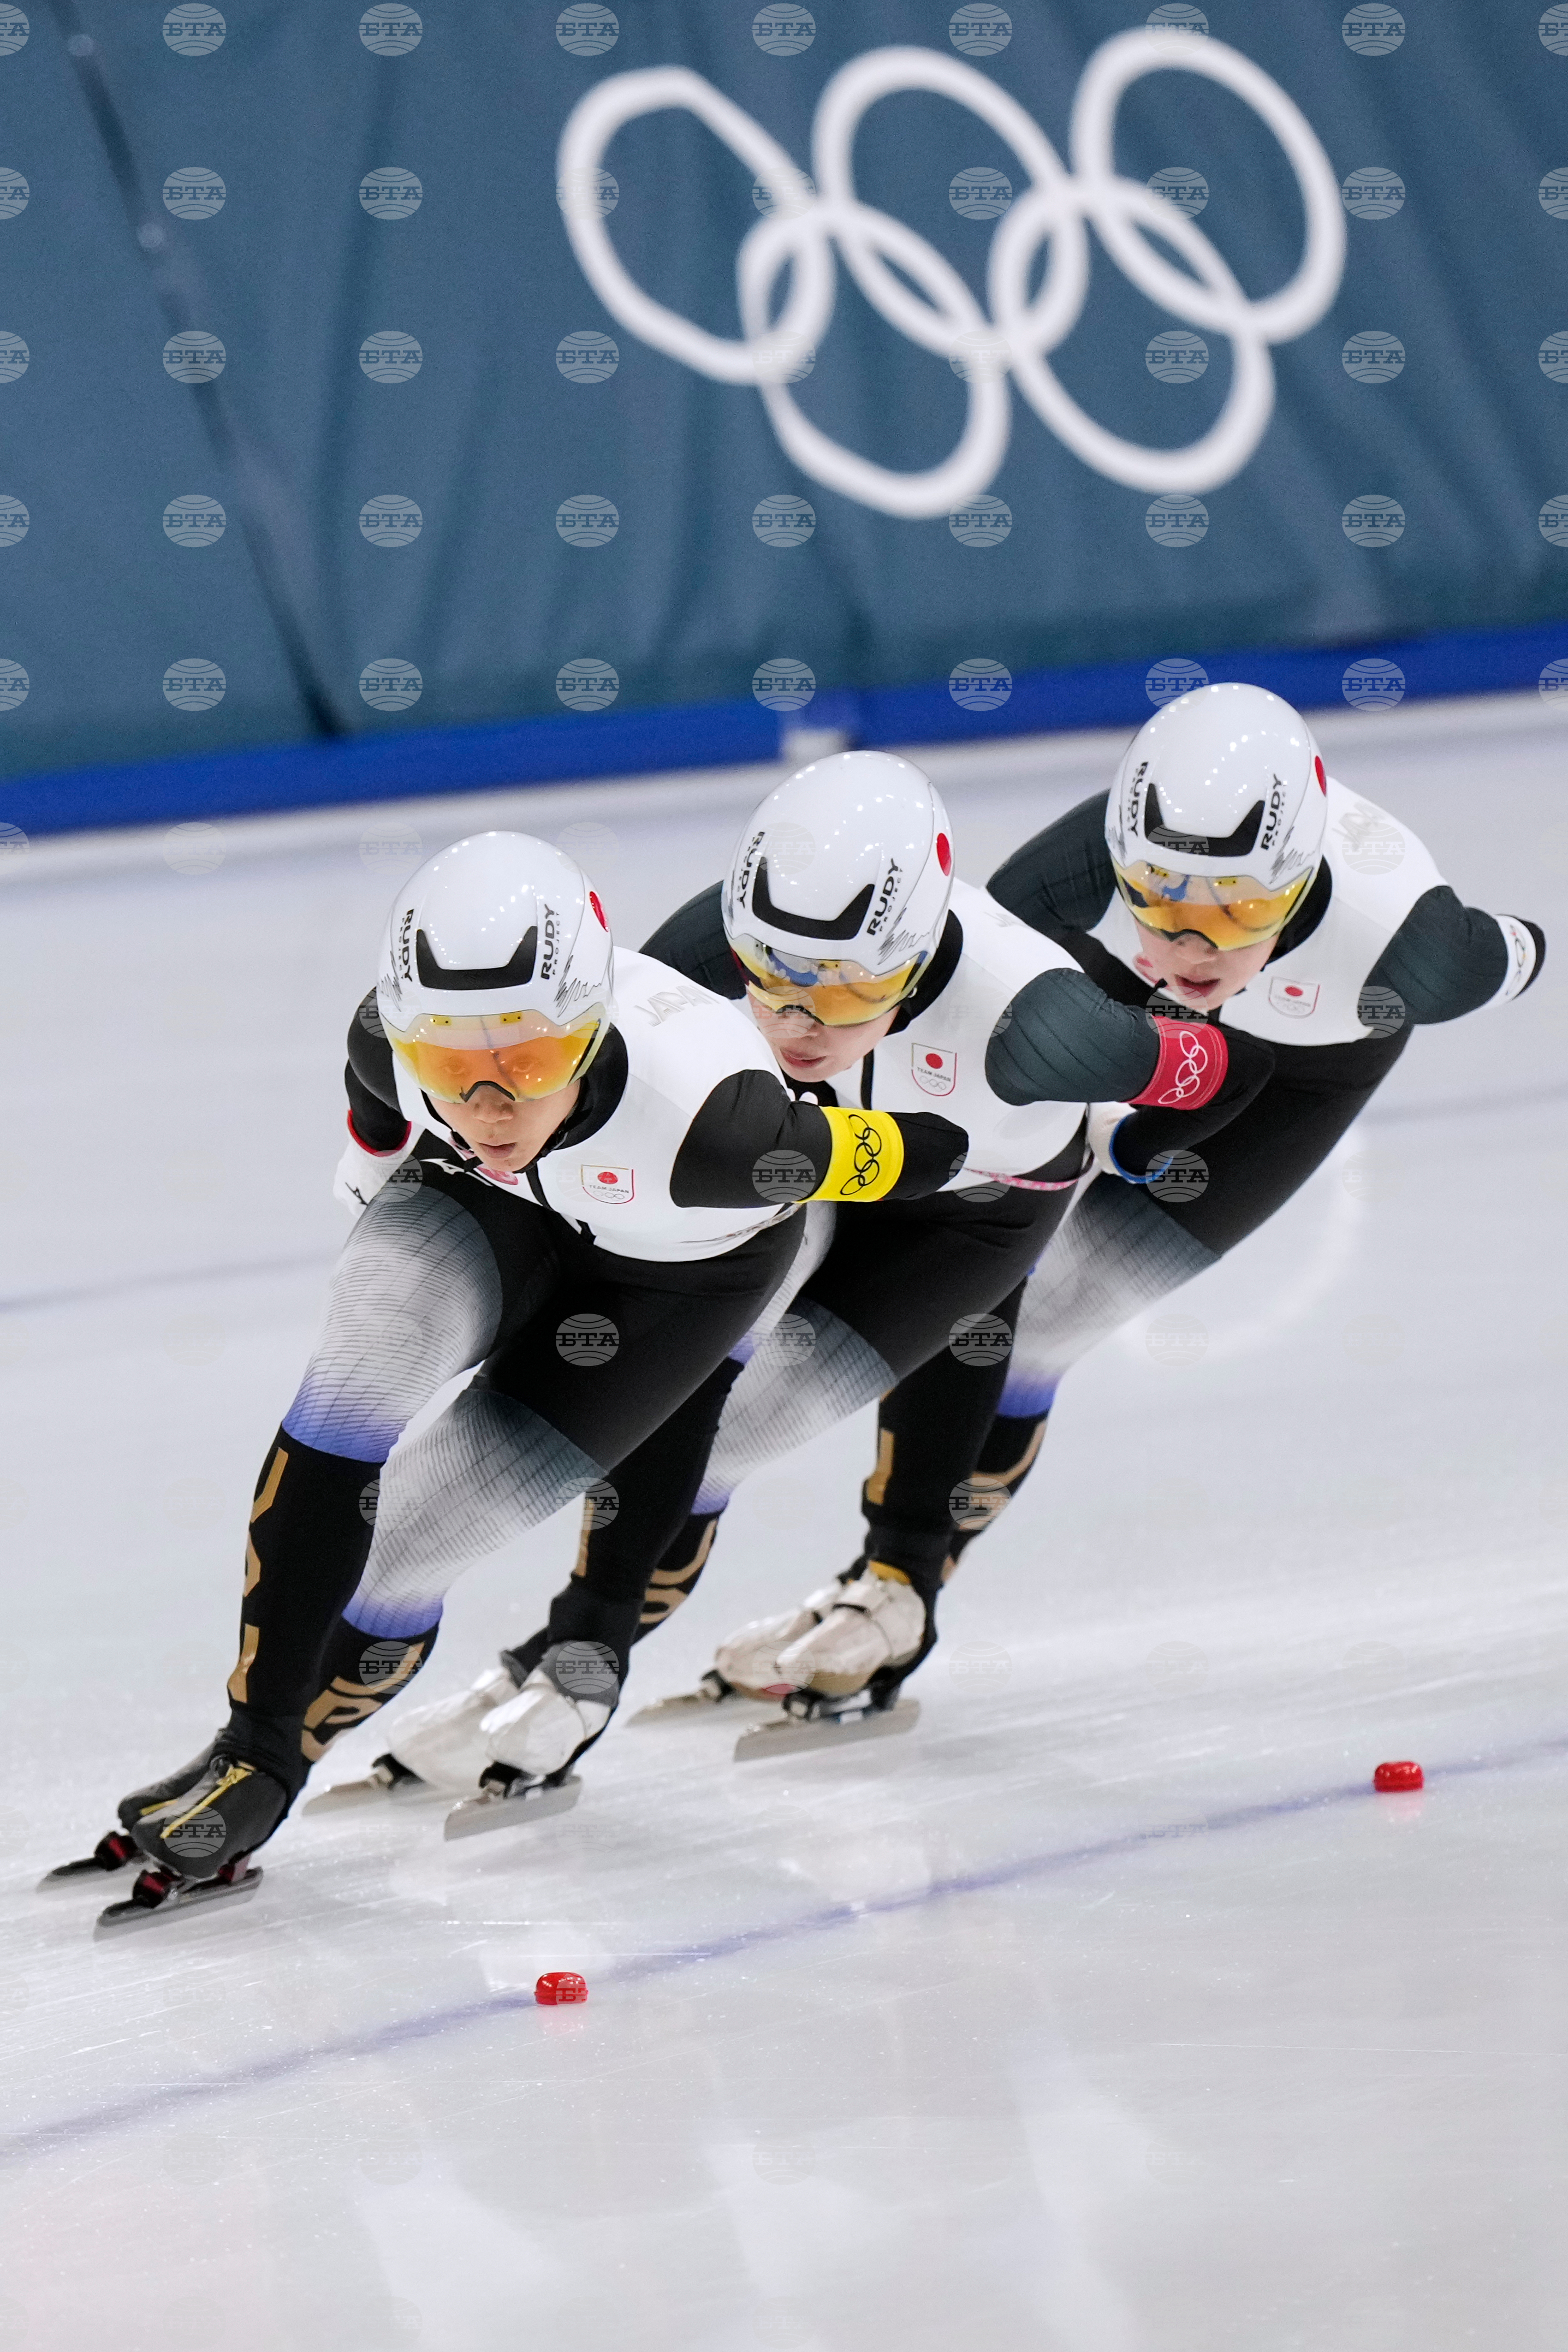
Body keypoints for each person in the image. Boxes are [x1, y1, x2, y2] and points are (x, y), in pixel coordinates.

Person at [58, 828, 975, 1915]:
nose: (489, 1109)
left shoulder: (723, 1131)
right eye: (455, 1072)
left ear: (585, 1034)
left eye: (526, 1067)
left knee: (412, 1539)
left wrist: (955, 1145)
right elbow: (379, 1125)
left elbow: (912, 1156)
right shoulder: (388, 1041)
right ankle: (250, 1752)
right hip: (494, 1210)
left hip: (674, 1280)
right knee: (359, 1365)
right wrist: (386, 1184)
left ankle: (279, 1762)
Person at [349, 748, 1272, 1805]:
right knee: (688, 1392)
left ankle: (888, 1582)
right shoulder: (694, 957)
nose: (802, 1023)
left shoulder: (1041, 1020)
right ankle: (577, 1659)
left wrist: (1139, 1148)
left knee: (784, 1407)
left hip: (972, 1212)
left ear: (918, 954)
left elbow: (1232, 1072)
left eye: (851, 990)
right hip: (811, 1165)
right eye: (774, 980)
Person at [697, 682, 1546, 1706]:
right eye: (1162, 904)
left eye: (1237, 910)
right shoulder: (1063, 886)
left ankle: (899, 1581)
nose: (1192, 949)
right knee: (986, 1258)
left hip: (1298, 1072)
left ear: (1302, 879)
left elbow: (1528, 947)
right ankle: (895, 1570)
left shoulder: (1417, 950)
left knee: (1056, 1315)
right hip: (1118, 1027)